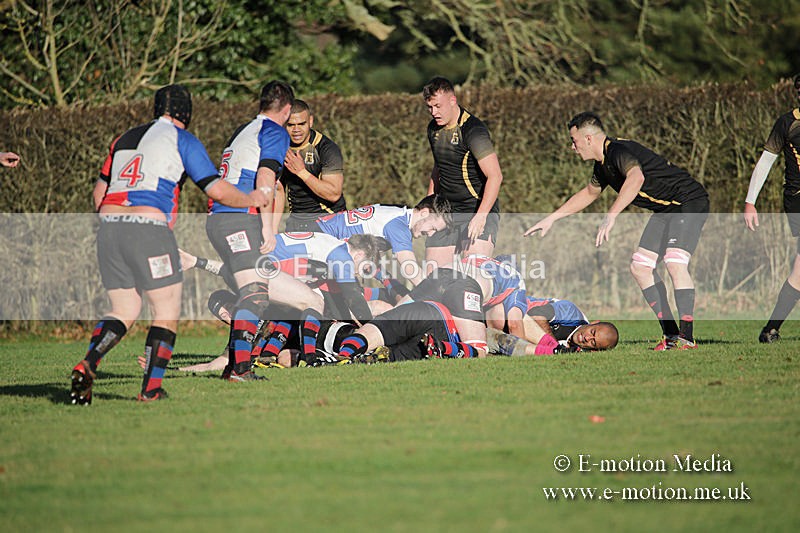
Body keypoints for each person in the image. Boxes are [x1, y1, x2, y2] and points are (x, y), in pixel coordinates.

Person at [69, 84, 272, 405]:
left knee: (123, 309)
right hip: (149, 228)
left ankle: (89, 362)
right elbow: (215, 189)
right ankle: (150, 389)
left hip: (109, 229)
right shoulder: (183, 139)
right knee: (165, 309)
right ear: (186, 112)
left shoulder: (123, 139)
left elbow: (99, 191)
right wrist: (251, 197)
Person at [524, 111, 709, 351]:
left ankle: (687, 338)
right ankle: (671, 335)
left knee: (674, 262)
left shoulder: (618, 151)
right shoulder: (602, 166)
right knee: (640, 268)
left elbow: (636, 177)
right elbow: (589, 193)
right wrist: (551, 219)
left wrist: (611, 216)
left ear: (588, 138)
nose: (572, 146)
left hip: (689, 201)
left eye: (574, 140)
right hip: (667, 210)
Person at [206, 80, 294, 381]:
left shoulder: (243, 130)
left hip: (219, 219)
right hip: (238, 219)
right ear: (287, 109)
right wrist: (269, 229)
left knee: (251, 294)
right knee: (255, 295)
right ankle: (241, 370)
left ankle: (234, 365)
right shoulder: (274, 132)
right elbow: (266, 177)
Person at [422, 77, 504, 271]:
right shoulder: (433, 129)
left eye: (438, 106)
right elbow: (439, 167)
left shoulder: (473, 130)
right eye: (430, 107)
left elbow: (495, 176)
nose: (434, 112)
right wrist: (429, 206)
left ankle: (506, 283)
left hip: (475, 209)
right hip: (447, 212)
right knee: (433, 280)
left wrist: (480, 216)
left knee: (473, 277)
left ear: (453, 101)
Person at [743, 74, 800, 343]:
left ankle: (771, 329)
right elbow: (766, 162)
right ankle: (770, 328)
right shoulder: (787, 123)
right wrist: (750, 201)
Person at [336, 268, 488, 362]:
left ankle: (344, 355)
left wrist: (382, 275)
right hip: (447, 305)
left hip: (435, 283)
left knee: (383, 330)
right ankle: (441, 347)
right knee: (479, 352)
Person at [315, 194, 452, 286]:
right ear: (424, 213)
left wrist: (389, 282)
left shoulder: (400, 213)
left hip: (321, 234)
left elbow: (372, 264)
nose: (431, 234)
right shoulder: (400, 227)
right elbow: (410, 269)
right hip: (320, 239)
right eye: (432, 228)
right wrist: (435, 295)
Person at [276, 99, 347, 232]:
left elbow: (333, 194)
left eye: (301, 124)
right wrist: (272, 230)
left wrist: (301, 172)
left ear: (310, 121)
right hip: (296, 223)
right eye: (291, 125)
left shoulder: (326, 148)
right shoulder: (279, 148)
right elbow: (278, 190)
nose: (296, 130)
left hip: (329, 221)